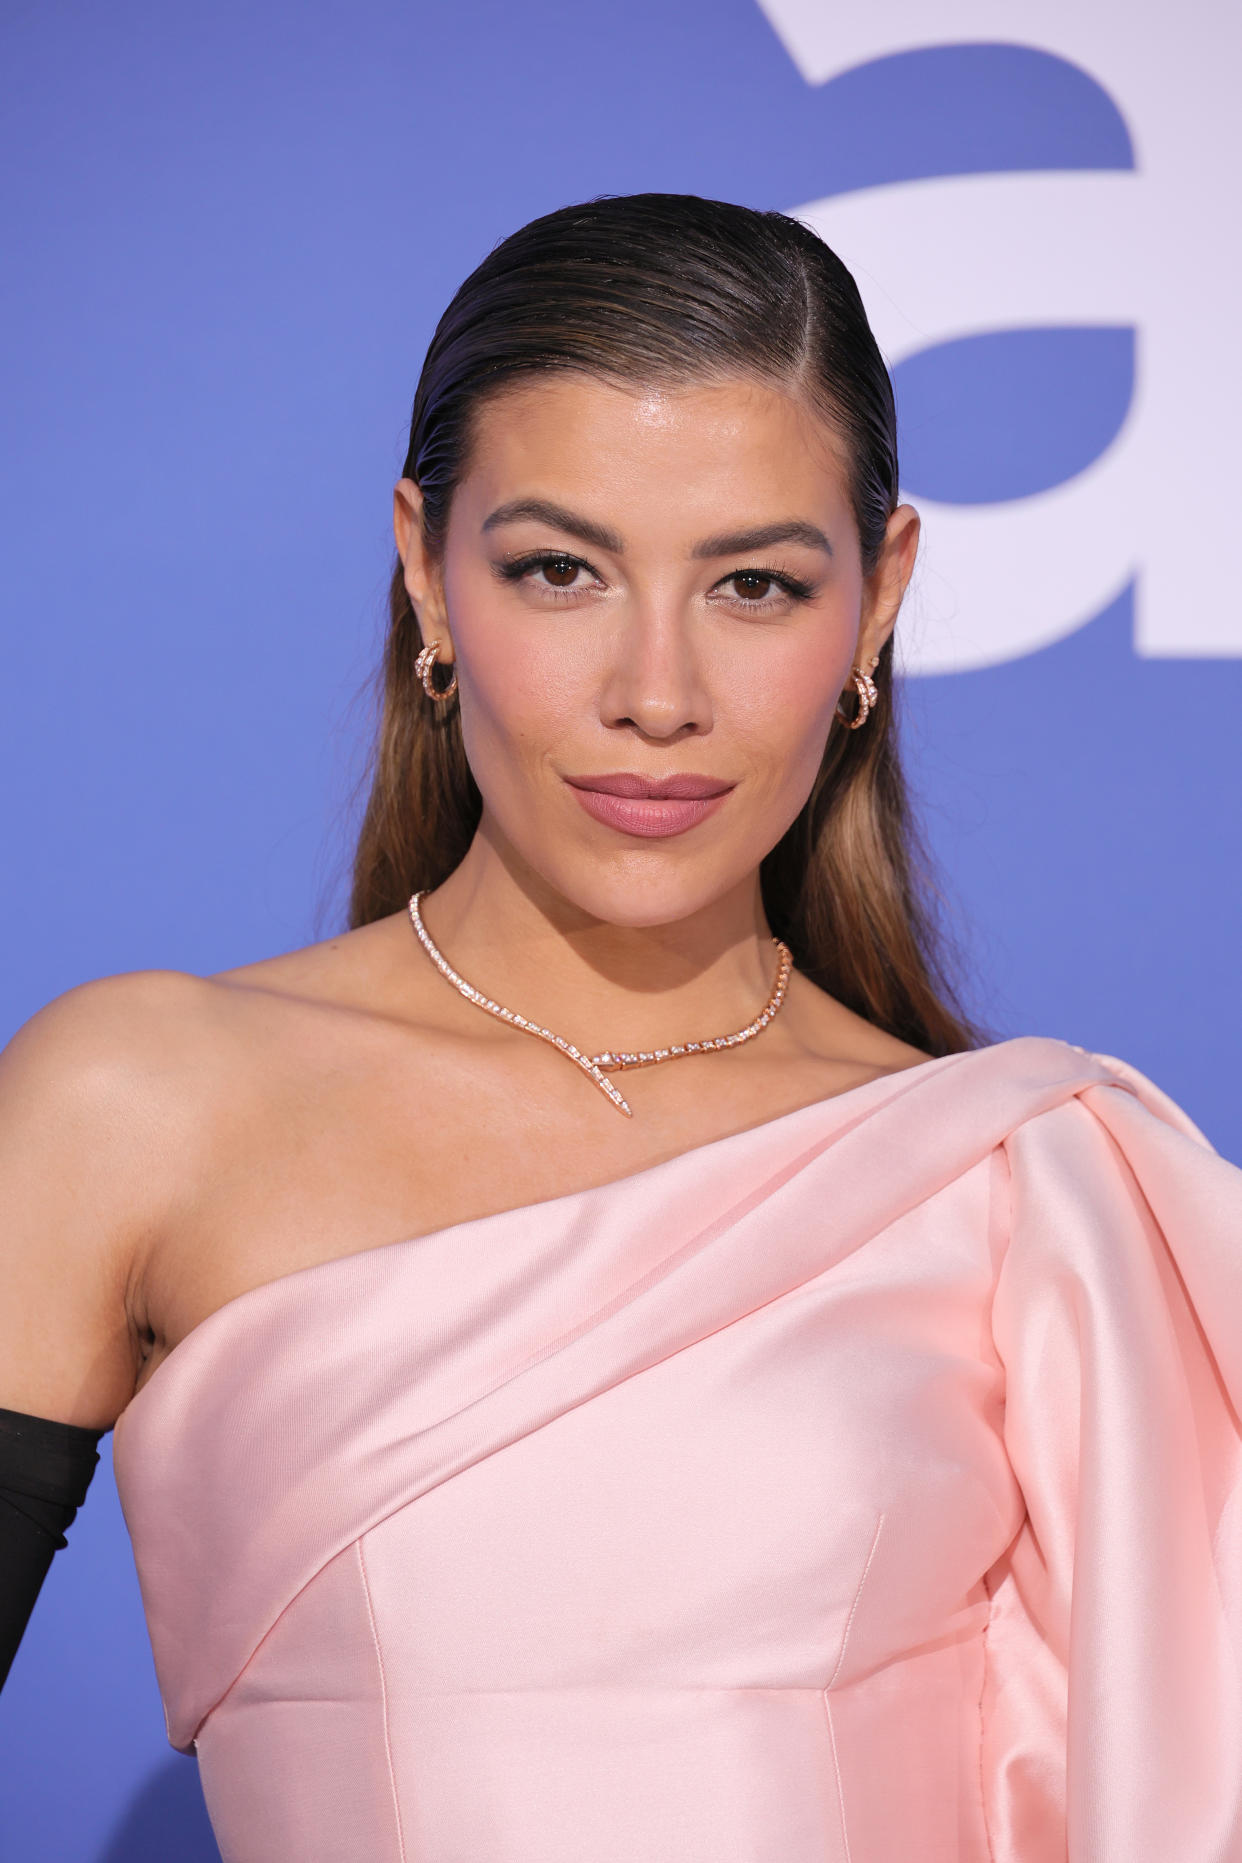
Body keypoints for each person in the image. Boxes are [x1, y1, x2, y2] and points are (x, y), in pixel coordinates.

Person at [1, 192, 1240, 1863]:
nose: (654, 693)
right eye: (558, 570)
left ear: (876, 601)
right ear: (425, 577)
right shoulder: (137, 1100)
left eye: (751, 584)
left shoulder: (1026, 1186)